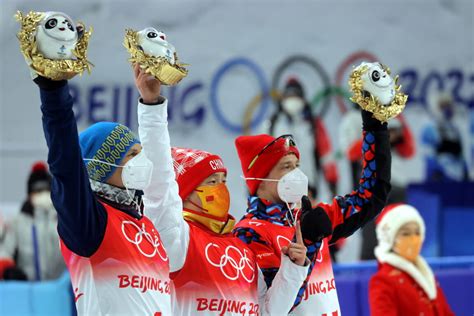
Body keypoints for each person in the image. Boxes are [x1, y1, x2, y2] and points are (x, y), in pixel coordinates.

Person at [133, 64, 310, 315]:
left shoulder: (240, 247)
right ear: (185, 193)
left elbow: (268, 312)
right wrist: (152, 107)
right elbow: (160, 182)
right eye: (211, 182)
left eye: (223, 180)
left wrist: (293, 269)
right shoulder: (178, 239)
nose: (221, 189)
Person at [24, 60, 171, 314]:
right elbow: (66, 164)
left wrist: (152, 103)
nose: (142, 161)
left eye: (141, 153)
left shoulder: (146, 226)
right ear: (104, 164)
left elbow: (164, 181)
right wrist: (53, 89)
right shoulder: (89, 222)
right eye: (131, 154)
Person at [233, 108, 391, 315]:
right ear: (260, 179)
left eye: (297, 165)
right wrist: (308, 242)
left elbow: (371, 196)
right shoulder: (248, 234)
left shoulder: (308, 217)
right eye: (286, 166)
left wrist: (375, 123)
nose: (297, 173)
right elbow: (274, 309)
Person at [369, 203, 454, 315]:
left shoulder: (427, 275)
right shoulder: (383, 281)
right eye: (406, 233)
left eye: (417, 232)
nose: (414, 238)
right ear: (390, 239)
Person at [267, 78, 338, 197]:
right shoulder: (273, 124)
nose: (293, 99)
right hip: (279, 189)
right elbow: (259, 156)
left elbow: (326, 156)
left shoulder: (313, 124)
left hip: (307, 188)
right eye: (289, 95)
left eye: (296, 95)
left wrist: (332, 182)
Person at [1, 162, 65, 281]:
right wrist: (7, 270)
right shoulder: (18, 222)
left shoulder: (63, 220)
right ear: (29, 195)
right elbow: (5, 250)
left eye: (45, 190)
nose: (42, 195)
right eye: (37, 191)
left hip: (60, 291)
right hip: (28, 291)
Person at [422, 92, 468, 182]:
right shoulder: (430, 127)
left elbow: (461, 154)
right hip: (440, 175)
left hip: (457, 175)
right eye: (443, 106)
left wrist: (465, 171)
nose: (447, 109)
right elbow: (427, 153)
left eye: (449, 105)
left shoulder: (455, 128)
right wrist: (435, 171)